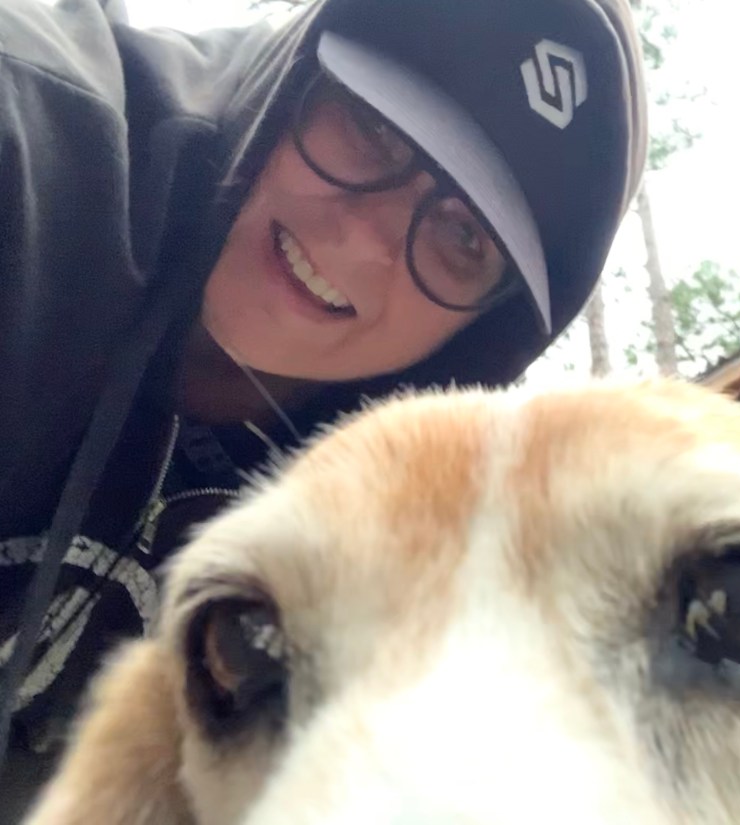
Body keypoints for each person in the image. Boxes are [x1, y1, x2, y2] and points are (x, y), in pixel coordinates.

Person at [0, 0, 646, 813]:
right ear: (297, 77)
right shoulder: (35, 154)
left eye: (463, 237)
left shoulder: (383, 574)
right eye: (373, 128)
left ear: (485, 332)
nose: (367, 238)